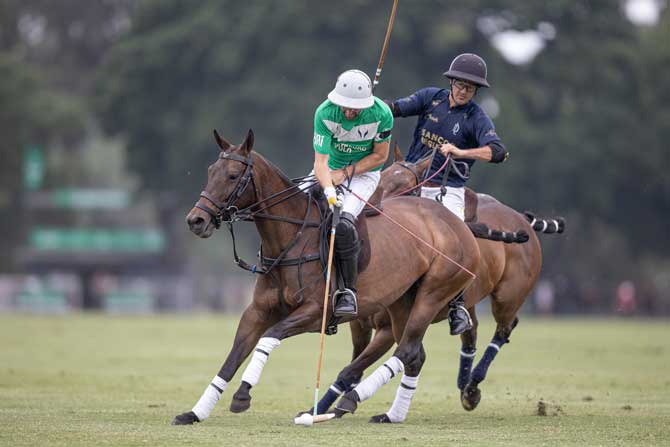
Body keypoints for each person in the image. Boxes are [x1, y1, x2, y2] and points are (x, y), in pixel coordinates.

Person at [384, 53, 508, 335]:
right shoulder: (431, 98)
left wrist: (462, 151)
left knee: (456, 246)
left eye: (471, 87)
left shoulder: (476, 117)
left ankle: (457, 305)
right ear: (451, 81)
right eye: (460, 84)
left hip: (447, 188)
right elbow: (396, 108)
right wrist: (372, 105)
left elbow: (498, 151)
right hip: (410, 179)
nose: (464, 91)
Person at [310, 69, 393, 318]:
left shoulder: (382, 114)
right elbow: (320, 163)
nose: (349, 112)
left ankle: (347, 292)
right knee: (297, 205)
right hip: (330, 169)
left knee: (345, 224)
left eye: (355, 108)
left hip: (364, 175)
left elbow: (380, 156)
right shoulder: (324, 113)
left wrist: (345, 174)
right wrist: (328, 188)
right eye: (345, 107)